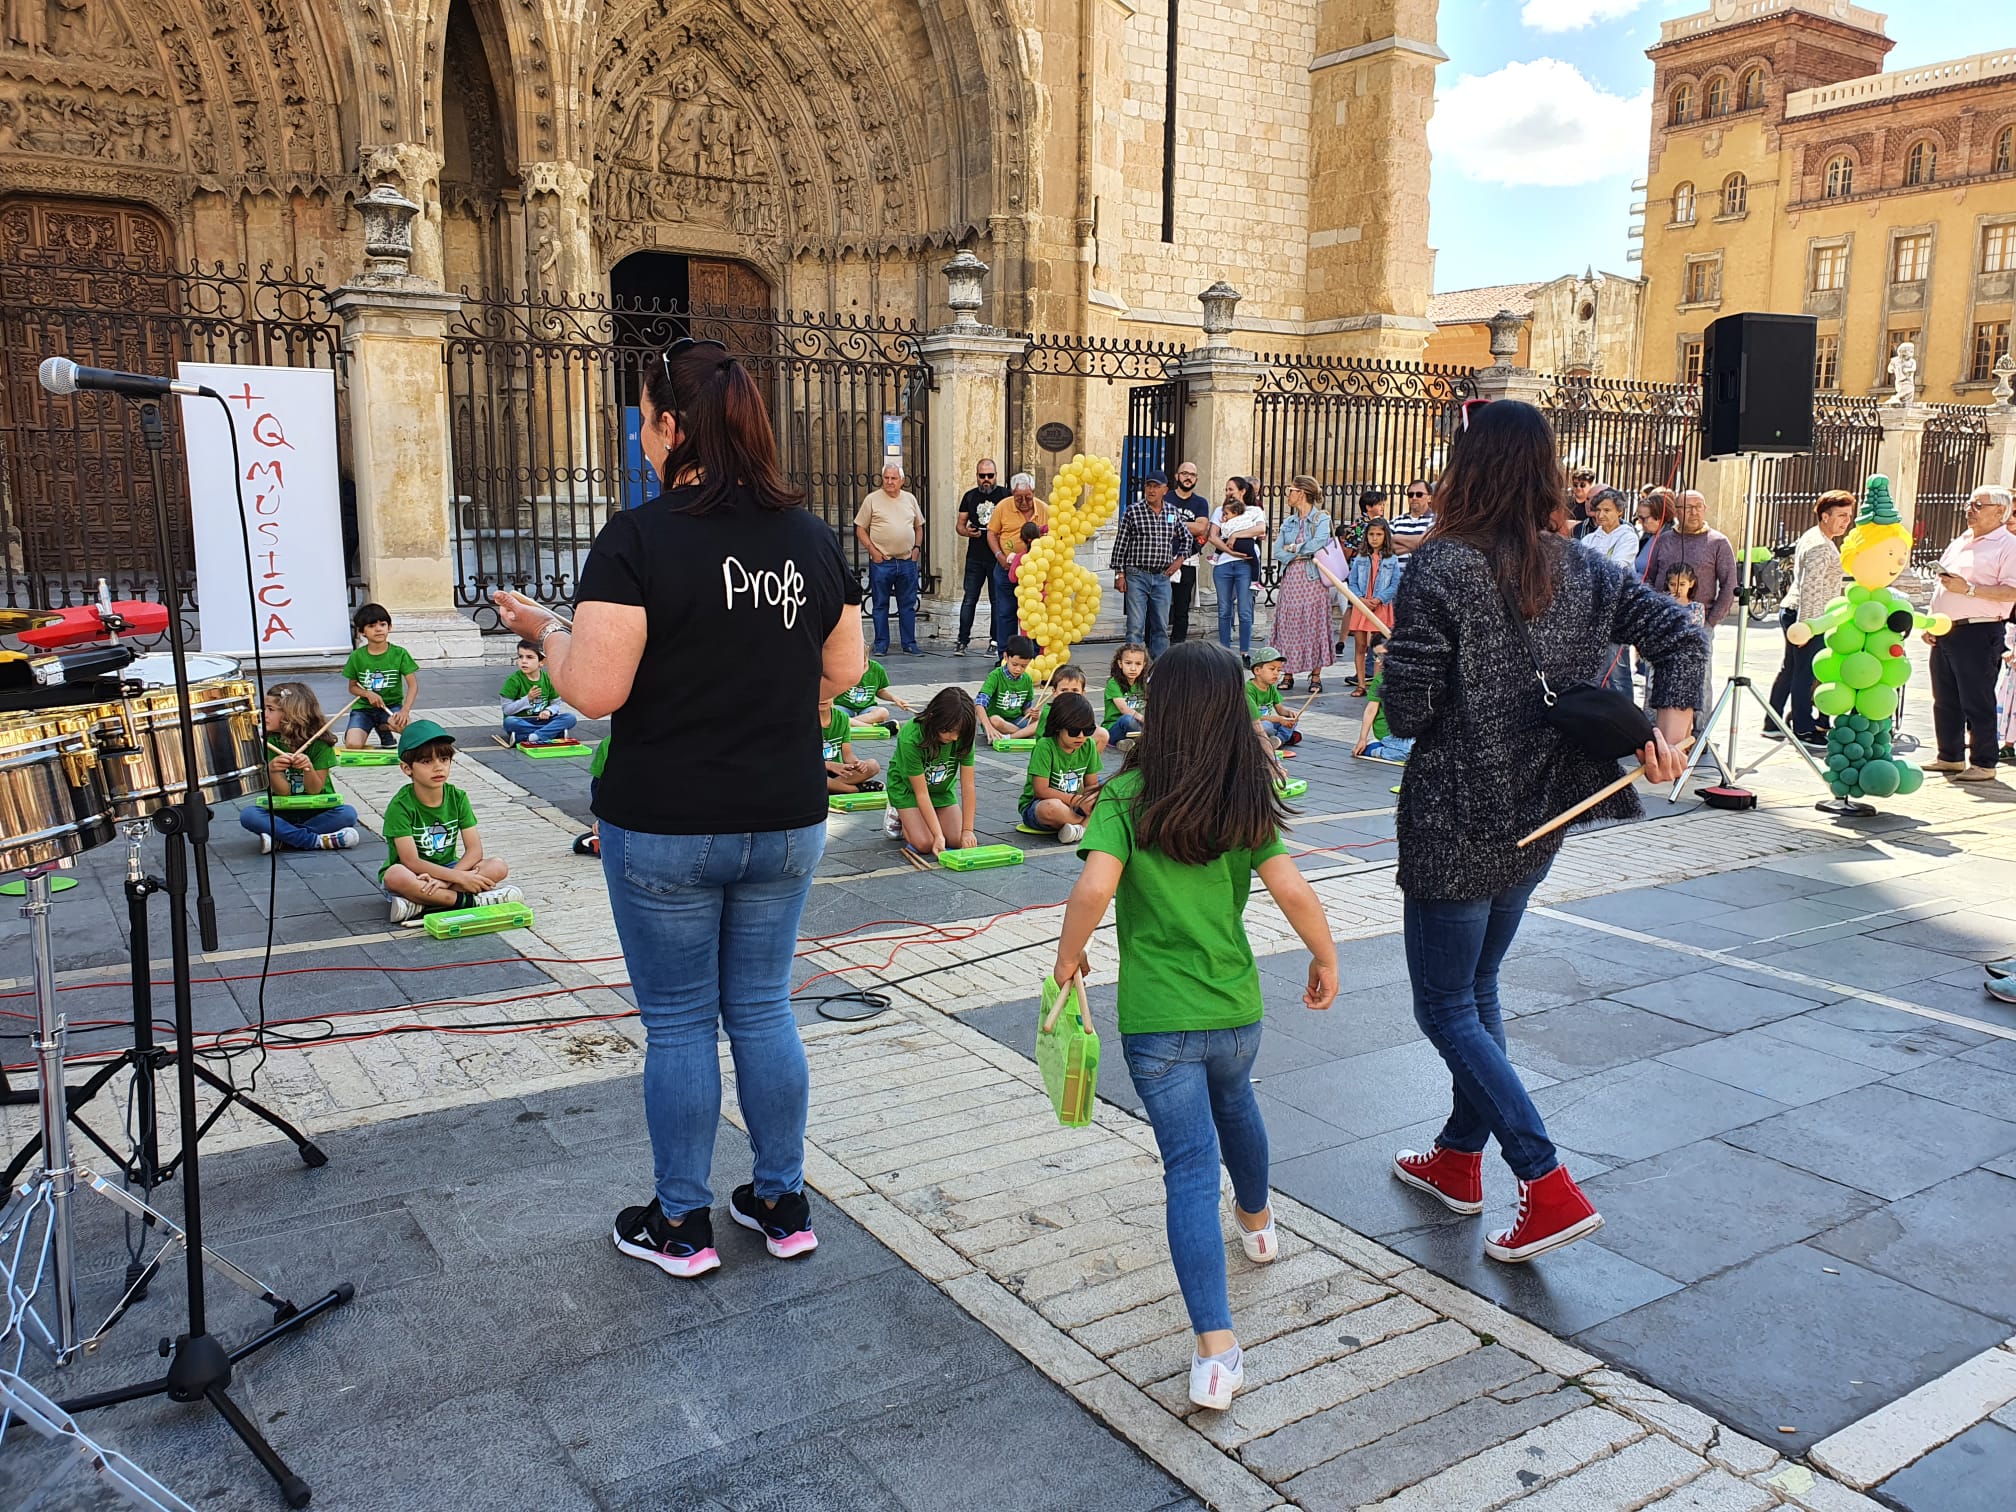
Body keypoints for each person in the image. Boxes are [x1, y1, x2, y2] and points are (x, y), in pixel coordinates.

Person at [493, 335, 864, 1279]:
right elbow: (846, 669)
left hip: (666, 822)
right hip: (783, 816)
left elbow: (595, 691)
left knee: (681, 1023)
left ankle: (682, 1221)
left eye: (645, 417)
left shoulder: (640, 539)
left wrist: (547, 627)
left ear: (668, 427)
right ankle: (782, 1201)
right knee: (764, 1010)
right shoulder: (810, 536)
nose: (642, 436)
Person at [1379, 399, 1699, 1264]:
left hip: (1456, 812)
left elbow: (1406, 713)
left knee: (1445, 1003)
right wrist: (1670, 729)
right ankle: (1457, 1159)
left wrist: (1397, 664)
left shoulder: (1439, 567)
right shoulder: (1584, 566)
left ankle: (1545, 1179)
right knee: (1477, 991)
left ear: (1467, 467)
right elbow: (1681, 629)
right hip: (1543, 811)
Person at [1050, 639, 1338, 1412]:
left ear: (1162, 709)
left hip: (1157, 1022)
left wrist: (1067, 957)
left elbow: (1094, 887)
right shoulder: (1244, 797)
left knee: (1186, 1167)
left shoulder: (1125, 796)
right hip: (1236, 1010)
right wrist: (1325, 956)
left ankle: (1216, 1348)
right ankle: (1259, 1221)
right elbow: (1291, 887)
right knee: (1238, 1101)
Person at [377, 720, 522, 926]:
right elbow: (411, 861)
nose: (438, 767)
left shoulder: (457, 797)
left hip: (450, 870)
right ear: (407, 768)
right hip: (414, 875)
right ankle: (468, 901)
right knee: (394, 875)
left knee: (497, 866)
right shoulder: (400, 806)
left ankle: (421, 903)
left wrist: (450, 878)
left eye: (444, 759)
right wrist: (461, 880)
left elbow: (474, 851)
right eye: (427, 762)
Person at [1926, 486, 2016, 783]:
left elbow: (2011, 590)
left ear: (1999, 511)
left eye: (1978, 505)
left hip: (1979, 629)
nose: (1970, 509)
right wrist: (1932, 618)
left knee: (1976, 699)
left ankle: (1983, 762)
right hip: (1947, 628)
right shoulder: (1961, 539)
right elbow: (1943, 583)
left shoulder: (2008, 545)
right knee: (1945, 697)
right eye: (1969, 503)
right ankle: (1949, 756)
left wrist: (1970, 589)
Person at [1766, 490, 1855, 746]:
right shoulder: (1818, 545)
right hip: (1807, 615)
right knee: (1805, 672)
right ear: (1824, 515)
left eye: (1848, 516)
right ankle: (1803, 729)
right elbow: (1811, 587)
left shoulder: (1817, 537)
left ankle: (1772, 721)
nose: (1845, 521)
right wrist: (1806, 627)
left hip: (1799, 612)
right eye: (1840, 515)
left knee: (1792, 668)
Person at [1645, 490, 1736, 733]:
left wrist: (1712, 620)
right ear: (1676, 511)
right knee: (1656, 676)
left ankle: (1699, 732)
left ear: (1705, 509)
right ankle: (1653, 730)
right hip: (1665, 622)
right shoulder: (1664, 540)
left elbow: (1729, 585)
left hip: (1699, 622)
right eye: (1687, 507)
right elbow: (1651, 578)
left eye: (1698, 507)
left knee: (1700, 678)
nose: (1693, 512)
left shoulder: (1718, 542)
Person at [243, 682, 361, 853]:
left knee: (347, 814)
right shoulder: (268, 743)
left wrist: (308, 768)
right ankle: (315, 840)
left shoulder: (321, 744)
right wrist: (273, 770)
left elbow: (314, 789)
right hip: (282, 811)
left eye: (270, 709)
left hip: (317, 811)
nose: (264, 714)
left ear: (290, 714)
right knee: (249, 815)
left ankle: (283, 840)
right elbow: (283, 792)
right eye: (264, 709)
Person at [886, 687, 980, 852]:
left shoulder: (964, 736)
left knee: (958, 840)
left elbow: (968, 786)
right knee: (925, 844)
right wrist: (938, 835)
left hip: (940, 790)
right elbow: (921, 793)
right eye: (949, 731)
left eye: (959, 732)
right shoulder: (911, 737)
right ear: (934, 718)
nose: (954, 738)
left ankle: (927, 818)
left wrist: (967, 830)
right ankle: (899, 812)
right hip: (908, 790)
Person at [1110, 472, 1190, 659]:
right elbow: (1121, 544)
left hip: (1162, 576)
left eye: (1156, 486)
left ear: (1165, 490)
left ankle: (1159, 668)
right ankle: (1134, 665)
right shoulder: (1133, 511)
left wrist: (1179, 561)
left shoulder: (1172, 512)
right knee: (1135, 625)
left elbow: (1187, 538)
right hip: (1137, 574)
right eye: (1149, 486)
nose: (1151, 490)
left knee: (1161, 626)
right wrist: (1119, 574)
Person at [1269, 475, 1333, 694]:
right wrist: (1298, 552)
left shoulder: (1321, 519)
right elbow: (1277, 550)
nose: (1288, 494)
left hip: (1313, 579)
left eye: (1291, 490)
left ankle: (1315, 675)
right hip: (1291, 580)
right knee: (1289, 625)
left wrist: (1294, 549)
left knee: (1313, 625)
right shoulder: (1289, 522)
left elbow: (1319, 543)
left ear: (1302, 493)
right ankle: (1287, 672)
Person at [854, 462, 925, 657]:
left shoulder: (910, 499)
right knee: (880, 604)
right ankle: (881, 645)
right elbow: (860, 528)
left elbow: (919, 526)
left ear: (902, 480)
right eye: (886, 478)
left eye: (894, 478)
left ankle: (909, 644)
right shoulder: (872, 500)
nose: (889, 482)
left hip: (906, 561)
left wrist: (916, 549)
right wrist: (872, 550)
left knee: (907, 604)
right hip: (882, 561)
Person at [1018, 692, 1103, 843]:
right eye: (1074, 731)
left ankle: (1077, 829)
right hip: (1039, 806)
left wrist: (1090, 799)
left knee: (1106, 794)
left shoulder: (1088, 745)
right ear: (1058, 728)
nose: (1081, 736)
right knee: (1052, 807)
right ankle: (1085, 826)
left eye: (1088, 730)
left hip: (1075, 804)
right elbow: (1041, 790)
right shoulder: (1045, 746)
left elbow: (1091, 785)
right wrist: (1076, 800)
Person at [1580, 492, 1640, 697]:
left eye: (1607, 510)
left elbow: (1617, 567)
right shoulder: (1589, 538)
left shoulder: (1628, 537)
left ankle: (1625, 718)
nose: (1601, 515)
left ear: (1620, 511)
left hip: (1616, 610)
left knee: (1617, 668)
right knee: (1593, 668)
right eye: (1598, 510)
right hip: (1591, 610)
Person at [341, 602, 419, 749]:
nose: (378, 629)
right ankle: (357, 730)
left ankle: (383, 728)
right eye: (371, 626)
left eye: (382, 624)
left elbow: (413, 685)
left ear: (389, 627)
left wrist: (405, 711)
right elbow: (352, 687)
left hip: (391, 707)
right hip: (363, 709)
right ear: (362, 631)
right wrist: (367, 693)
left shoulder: (399, 653)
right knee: (353, 744)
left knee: (407, 730)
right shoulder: (357, 656)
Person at [988, 473, 1048, 659]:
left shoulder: (1045, 509)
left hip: (1035, 574)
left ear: (1034, 492)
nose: (1023, 502)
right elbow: (991, 533)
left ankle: (1033, 656)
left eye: (1028, 497)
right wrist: (999, 555)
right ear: (1012, 493)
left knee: (1034, 615)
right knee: (1005, 613)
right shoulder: (1003, 507)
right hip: (1006, 569)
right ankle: (1004, 657)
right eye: (1018, 498)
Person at [953, 458, 1007, 656]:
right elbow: (960, 525)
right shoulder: (969, 496)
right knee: (969, 599)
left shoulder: (1005, 495)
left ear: (995, 476)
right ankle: (962, 640)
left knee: (997, 601)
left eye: (989, 476)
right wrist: (967, 532)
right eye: (982, 476)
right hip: (975, 556)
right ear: (976, 476)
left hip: (997, 556)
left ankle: (994, 641)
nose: (986, 480)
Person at [1209, 476, 1267, 656]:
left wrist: (1235, 536)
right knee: (1224, 609)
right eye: (1226, 490)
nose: (1227, 493)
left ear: (1242, 491)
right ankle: (1224, 652)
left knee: (1244, 609)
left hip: (1245, 565)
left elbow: (1260, 529)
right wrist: (1231, 550)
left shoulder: (1254, 510)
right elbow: (1213, 536)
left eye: (1231, 489)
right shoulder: (1220, 510)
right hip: (1224, 564)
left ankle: (1244, 653)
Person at [1345, 519, 1400, 695]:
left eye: (1379, 534)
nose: (1374, 538)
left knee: (1378, 647)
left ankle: (1376, 685)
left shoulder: (1392, 559)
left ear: (1385, 536)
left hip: (1380, 606)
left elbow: (1395, 584)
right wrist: (1361, 599)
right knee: (1360, 646)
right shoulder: (1360, 558)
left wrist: (1379, 599)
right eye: (1371, 534)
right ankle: (1361, 684)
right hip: (1362, 606)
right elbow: (1352, 581)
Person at [499, 639, 580, 746]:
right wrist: (527, 699)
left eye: (529, 657)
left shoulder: (549, 679)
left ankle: (527, 737)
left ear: (542, 662)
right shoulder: (513, 680)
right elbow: (507, 710)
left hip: (544, 720)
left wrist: (548, 711)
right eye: (520, 657)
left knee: (570, 718)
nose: (523, 661)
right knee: (509, 722)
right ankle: (550, 733)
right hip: (522, 720)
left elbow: (556, 703)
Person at [1167, 461, 1211, 642]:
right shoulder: (1167, 498)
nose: (1188, 477)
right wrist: (1189, 526)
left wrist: (1174, 524)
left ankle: (1177, 647)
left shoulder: (1200, 503)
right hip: (1163, 559)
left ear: (1196, 479)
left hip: (1187, 561)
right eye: (1184, 473)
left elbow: (1201, 528)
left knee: (1181, 609)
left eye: (1192, 475)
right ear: (1177, 476)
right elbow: (1160, 525)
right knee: (1158, 606)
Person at [1351, 645, 1412, 764]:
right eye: (1378, 656)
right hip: (1388, 730)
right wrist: (1362, 739)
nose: (1379, 661)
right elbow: (1370, 710)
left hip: (1411, 729)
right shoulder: (1381, 679)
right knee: (1411, 754)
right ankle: (1374, 750)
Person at [976, 634, 1041, 738]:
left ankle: (1011, 737)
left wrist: (1032, 713)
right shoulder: (995, 676)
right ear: (1006, 657)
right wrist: (988, 727)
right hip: (997, 723)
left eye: (1023, 666)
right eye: (1015, 664)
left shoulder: (1027, 679)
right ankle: (1023, 734)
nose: (1018, 669)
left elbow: (1026, 708)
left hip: (1017, 720)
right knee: (995, 720)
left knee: (1042, 720)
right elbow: (979, 704)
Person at [821, 696, 882, 794]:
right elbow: (801, 761)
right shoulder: (802, 721)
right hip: (815, 770)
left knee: (872, 765)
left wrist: (857, 763)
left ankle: (830, 788)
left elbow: (847, 755)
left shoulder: (842, 717)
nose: (822, 698)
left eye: (826, 694)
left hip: (838, 772)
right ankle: (854, 789)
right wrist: (829, 765)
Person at [1245, 646, 1300, 752]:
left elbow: (1280, 710)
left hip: (1269, 721)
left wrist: (1289, 714)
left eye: (1279, 670)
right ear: (1257, 670)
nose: (1276, 673)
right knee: (1267, 727)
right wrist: (1280, 720)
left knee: (1292, 721)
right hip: (1254, 723)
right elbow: (1257, 718)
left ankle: (1278, 739)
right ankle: (1282, 736)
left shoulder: (1271, 688)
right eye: (1272, 669)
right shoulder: (1248, 689)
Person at [1048, 663, 1109, 753]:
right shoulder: (1050, 711)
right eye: (1064, 690)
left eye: (1075, 690)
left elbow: (1090, 727)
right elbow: (1043, 738)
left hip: (1078, 744)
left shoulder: (1084, 708)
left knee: (1102, 734)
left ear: (1083, 693)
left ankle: (1089, 763)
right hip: (1056, 749)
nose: (1069, 694)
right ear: (1054, 692)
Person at [836, 657, 910, 728]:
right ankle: (869, 726)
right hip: (843, 706)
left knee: (883, 712)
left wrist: (895, 699)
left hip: (866, 708)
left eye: (864, 664)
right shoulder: (842, 668)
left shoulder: (876, 668)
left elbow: (880, 691)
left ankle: (848, 723)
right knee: (830, 714)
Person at [1105, 643, 1149, 746]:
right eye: (1128, 663)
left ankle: (1127, 742)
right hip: (1115, 727)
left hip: (1138, 724)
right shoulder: (1113, 683)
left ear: (1144, 665)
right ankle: (1142, 739)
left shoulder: (1144, 683)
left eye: (1138, 664)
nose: (1133, 668)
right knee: (1127, 720)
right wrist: (1145, 720)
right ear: (1120, 664)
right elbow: (1124, 710)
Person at [1388, 478, 1435, 559]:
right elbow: (1388, 547)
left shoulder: (1436, 520)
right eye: (1410, 494)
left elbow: (1431, 545)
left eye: (1419, 494)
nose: (1414, 497)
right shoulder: (1396, 521)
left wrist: (1396, 538)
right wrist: (1419, 545)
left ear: (1429, 498)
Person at [1338, 489, 1388, 557]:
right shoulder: (1359, 525)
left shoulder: (1379, 522)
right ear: (1369, 507)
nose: (1382, 507)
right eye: (1379, 504)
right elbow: (1349, 548)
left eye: (1383, 504)